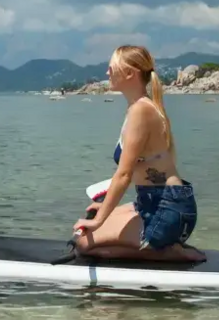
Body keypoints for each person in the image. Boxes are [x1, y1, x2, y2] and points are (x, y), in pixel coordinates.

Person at [71, 45, 206, 262]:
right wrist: (104, 209)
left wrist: (98, 222)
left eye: (111, 67)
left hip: (166, 209)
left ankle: (166, 252)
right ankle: (160, 243)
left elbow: (124, 175)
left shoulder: (141, 111)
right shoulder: (140, 107)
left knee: (84, 243)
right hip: (157, 203)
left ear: (129, 73)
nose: (107, 73)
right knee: (95, 216)